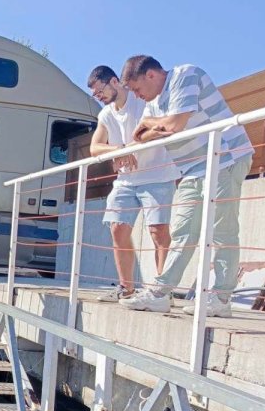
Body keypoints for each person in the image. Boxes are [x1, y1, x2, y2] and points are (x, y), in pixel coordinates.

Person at [118, 56, 254, 317]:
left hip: (225, 157)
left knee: (222, 231)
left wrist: (154, 124)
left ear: (151, 75)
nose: (136, 95)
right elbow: (142, 136)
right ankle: (160, 294)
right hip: (193, 168)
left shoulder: (185, 75)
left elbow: (174, 125)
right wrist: (155, 125)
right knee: (182, 231)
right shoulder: (152, 101)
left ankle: (221, 299)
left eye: (136, 89)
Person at [87, 65, 179, 302]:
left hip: (158, 175)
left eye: (100, 91)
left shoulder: (143, 100)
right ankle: (126, 288)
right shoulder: (106, 114)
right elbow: (94, 148)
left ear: (114, 81)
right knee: (117, 228)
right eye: (95, 95)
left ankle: (161, 292)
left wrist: (127, 148)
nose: (99, 97)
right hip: (126, 180)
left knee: (158, 231)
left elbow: (158, 130)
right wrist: (119, 149)